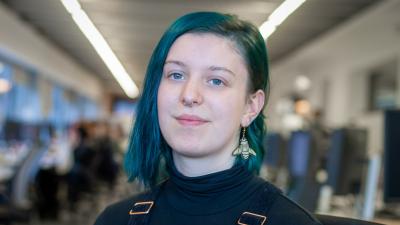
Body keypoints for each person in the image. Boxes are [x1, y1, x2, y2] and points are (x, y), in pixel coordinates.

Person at [94, 12, 321, 225]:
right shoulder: (115, 219)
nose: (190, 95)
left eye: (216, 81)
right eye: (176, 75)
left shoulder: (289, 221)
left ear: (250, 107)